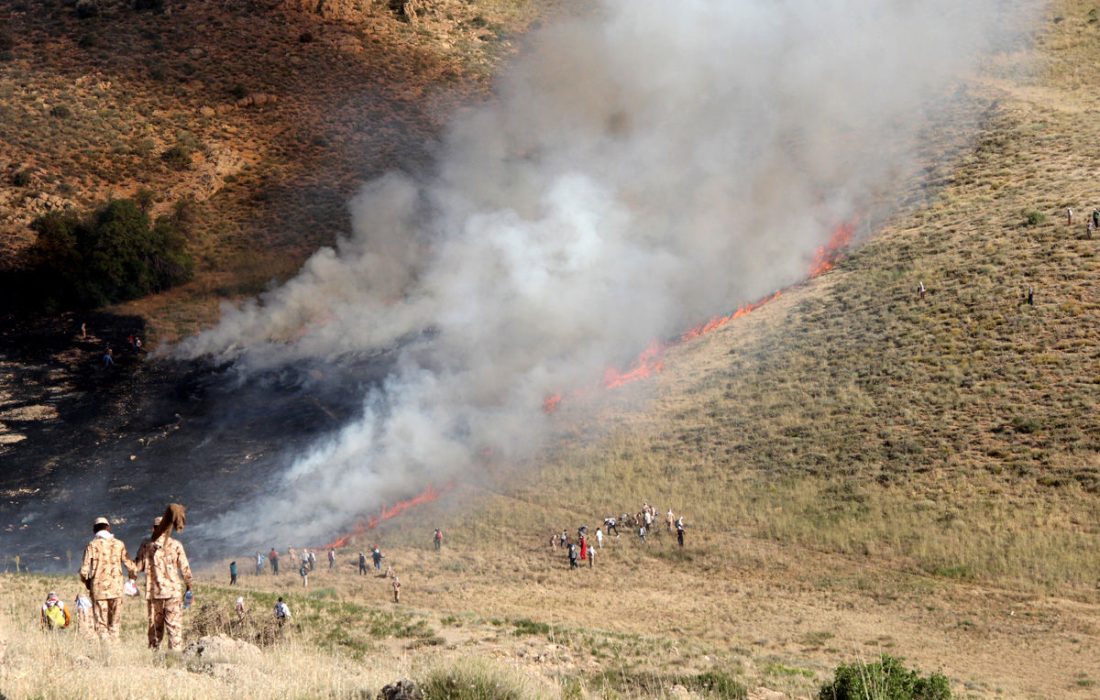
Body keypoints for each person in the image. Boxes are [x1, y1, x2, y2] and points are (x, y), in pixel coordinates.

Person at [133, 507, 193, 650]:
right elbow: (185, 569)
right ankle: (175, 660)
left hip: (154, 594)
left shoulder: (146, 545)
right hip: (173, 593)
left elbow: (138, 567)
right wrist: (189, 588)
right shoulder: (176, 545)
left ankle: (155, 658)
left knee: (155, 629)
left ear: (154, 528)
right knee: (174, 628)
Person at [79, 516, 137, 641]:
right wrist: (131, 580)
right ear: (108, 528)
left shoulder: (92, 545)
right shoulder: (119, 544)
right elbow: (131, 567)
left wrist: (88, 583)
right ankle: (115, 650)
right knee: (114, 625)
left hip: (98, 591)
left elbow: (84, 571)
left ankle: (106, 653)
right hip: (116, 590)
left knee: (101, 625)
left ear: (94, 530)